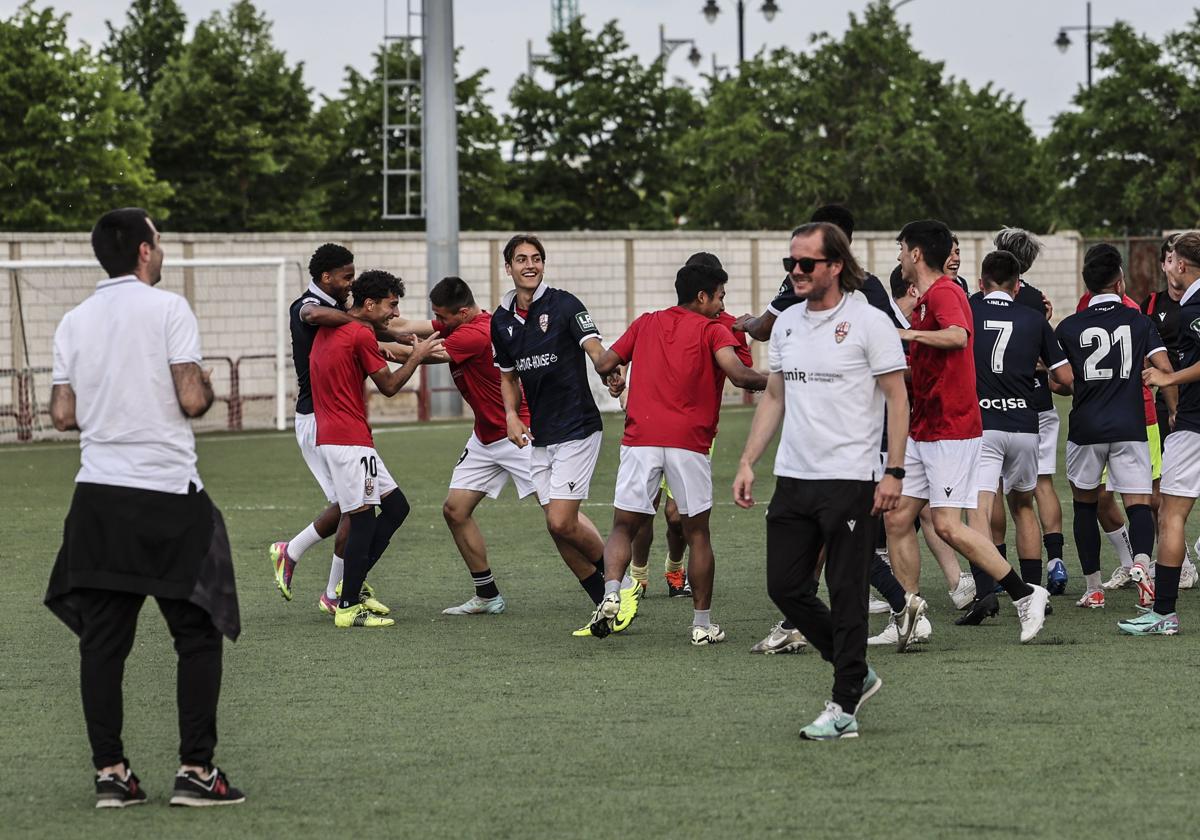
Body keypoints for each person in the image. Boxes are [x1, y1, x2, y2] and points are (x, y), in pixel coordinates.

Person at [46, 208, 244, 807]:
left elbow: (61, 415)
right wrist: (205, 383)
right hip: (165, 495)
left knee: (102, 644)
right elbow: (190, 399)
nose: (159, 251)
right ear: (142, 252)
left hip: (97, 500)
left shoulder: (73, 321)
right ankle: (196, 772)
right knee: (198, 632)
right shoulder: (168, 309)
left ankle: (111, 775)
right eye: (156, 242)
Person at [733, 221, 910, 740]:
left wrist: (893, 470)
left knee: (846, 590)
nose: (795, 271)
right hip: (794, 477)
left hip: (851, 479)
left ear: (835, 265)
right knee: (784, 585)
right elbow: (775, 396)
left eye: (806, 263)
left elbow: (898, 398)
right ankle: (855, 669)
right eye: (790, 262)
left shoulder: (868, 321)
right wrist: (748, 461)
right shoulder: (786, 323)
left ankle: (844, 706)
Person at [582, 252, 767, 643]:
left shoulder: (646, 322)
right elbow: (740, 376)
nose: (722, 304)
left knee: (622, 525)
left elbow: (605, 364)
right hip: (689, 441)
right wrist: (783, 380)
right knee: (697, 533)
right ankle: (701, 626)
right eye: (719, 296)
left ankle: (612, 594)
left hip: (641, 438)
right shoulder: (714, 329)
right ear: (702, 297)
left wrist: (617, 378)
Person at [883, 219, 1050, 650]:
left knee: (948, 527)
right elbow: (927, 365)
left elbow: (958, 336)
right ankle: (909, 616)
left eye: (902, 248)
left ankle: (1025, 594)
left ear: (917, 253)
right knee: (898, 518)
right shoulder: (924, 299)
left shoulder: (945, 292)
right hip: (925, 427)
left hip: (952, 429)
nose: (899, 256)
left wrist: (906, 333)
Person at [489, 234, 637, 626]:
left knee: (561, 521)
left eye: (536, 258)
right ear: (508, 268)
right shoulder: (500, 322)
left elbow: (595, 350)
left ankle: (619, 586)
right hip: (541, 436)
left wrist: (612, 372)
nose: (530, 265)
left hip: (578, 427)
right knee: (556, 529)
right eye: (521, 259)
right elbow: (507, 377)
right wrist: (511, 415)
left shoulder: (565, 304)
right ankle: (607, 609)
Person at [308, 270, 443, 628]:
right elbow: (389, 386)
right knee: (363, 519)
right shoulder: (357, 335)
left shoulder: (331, 328)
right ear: (369, 304)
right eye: (391, 305)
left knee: (396, 506)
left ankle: (349, 585)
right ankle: (348, 603)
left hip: (339, 437)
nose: (394, 313)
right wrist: (417, 354)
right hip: (349, 440)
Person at [1055, 244, 1175, 610]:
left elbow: (1060, 381)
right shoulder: (1140, 322)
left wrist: (1081, 386)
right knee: (1139, 504)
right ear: (1120, 281)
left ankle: (1093, 589)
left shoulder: (1069, 326)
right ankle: (1141, 565)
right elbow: (1165, 370)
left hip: (1086, 427)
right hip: (1130, 425)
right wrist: (1173, 409)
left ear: (1087, 286)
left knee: (1085, 505)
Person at [960, 251, 1073, 624]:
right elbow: (1066, 378)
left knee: (980, 504)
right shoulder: (1033, 319)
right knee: (1023, 505)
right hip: (1026, 426)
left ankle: (987, 592)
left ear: (981, 283)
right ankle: (1034, 591)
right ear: (1018, 285)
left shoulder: (968, 312)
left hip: (984, 423)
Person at [423, 276, 535, 615]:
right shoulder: (461, 322)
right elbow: (406, 328)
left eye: (442, 318)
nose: (438, 324)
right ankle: (487, 596)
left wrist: (371, 347)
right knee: (455, 510)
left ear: (463, 312)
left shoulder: (474, 333)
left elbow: (422, 353)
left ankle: (613, 582)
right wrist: (366, 325)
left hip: (518, 432)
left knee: (562, 518)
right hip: (485, 437)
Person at [270, 244, 355, 615]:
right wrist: (359, 320)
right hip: (317, 420)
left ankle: (298, 555)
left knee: (361, 502)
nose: (350, 282)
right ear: (326, 278)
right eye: (346, 277)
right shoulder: (305, 305)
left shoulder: (340, 308)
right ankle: (334, 592)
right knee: (356, 505)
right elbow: (311, 314)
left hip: (338, 418)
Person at [990, 228, 1068, 594]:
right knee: (1042, 484)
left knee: (993, 490)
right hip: (1039, 402)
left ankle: (997, 568)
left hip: (997, 404)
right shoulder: (1037, 300)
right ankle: (1055, 561)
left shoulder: (981, 301)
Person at [1136, 230, 1200, 634]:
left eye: (1171, 258)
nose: (1168, 264)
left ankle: (1163, 614)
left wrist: (1167, 377)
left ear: (1179, 264)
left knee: (1171, 516)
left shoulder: (1194, 306)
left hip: (1194, 424)